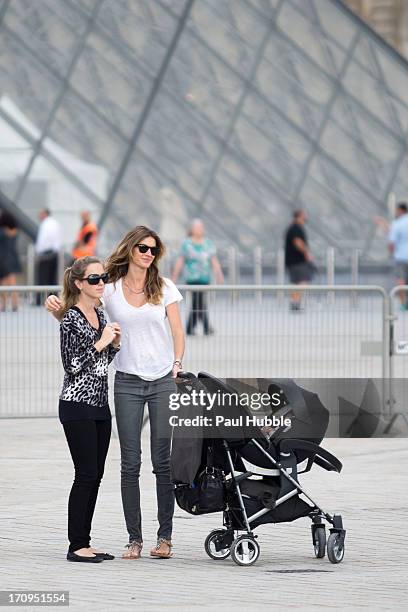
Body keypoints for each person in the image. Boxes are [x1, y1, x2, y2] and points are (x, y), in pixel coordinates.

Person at [46, 226, 184, 560]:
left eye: (153, 248)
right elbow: (81, 309)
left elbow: (178, 330)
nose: (148, 253)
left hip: (163, 379)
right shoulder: (111, 288)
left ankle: (164, 538)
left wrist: (177, 363)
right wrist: (57, 307)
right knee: (130, 463)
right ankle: (133, 539)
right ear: (130, 249)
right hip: (127, 383)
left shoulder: (164, 287)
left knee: (163, 462)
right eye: (142, 247)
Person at [58, 256, 121, 563]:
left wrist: (113, 346)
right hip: (76, 405)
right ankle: (76, 546)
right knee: (84, 474)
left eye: (103, 278)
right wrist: (101, 342)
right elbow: (72, 367)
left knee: (95, 474)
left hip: (99, 405)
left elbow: (99, 367)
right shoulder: (70, 317)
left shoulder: (100, 313)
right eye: (94, 279)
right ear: (79, 283)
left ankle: (85, 541)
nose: (101, 284)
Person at [172, 219, 224, 335]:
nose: (199, 230)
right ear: (192, 229)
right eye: (196, 228)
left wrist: (219, 274)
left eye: (201, 228)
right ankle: (205, 327)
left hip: (205, 278)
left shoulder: (208, 243)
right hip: (192, 278)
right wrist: (174, 277)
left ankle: (193, 327)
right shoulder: (186, 244)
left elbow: (213, 260)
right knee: (198, 301)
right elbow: (180, 260)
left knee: (198, 302)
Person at [284, 209, 314, 311]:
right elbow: (298, 242)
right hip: (297, 261)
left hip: (292, 261)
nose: (306, 217)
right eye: (304, 215)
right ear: (299, 216)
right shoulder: (296, 228)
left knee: (297, 282)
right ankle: (295, 302)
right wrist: (307, 253)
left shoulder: (293, 227)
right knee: (303, 281)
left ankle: (295, 302)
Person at [35, 208, 61, 304]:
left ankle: (40, 300)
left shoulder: (45, 224)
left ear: (45, 214)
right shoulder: (55, 223)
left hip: (46, 254)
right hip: (54, 253)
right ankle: (54, 300)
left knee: (42, 278)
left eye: (40, 214)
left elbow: (43, 240)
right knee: (52, 278)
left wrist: (39, 252)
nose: (39, 216)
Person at [0, 210, 22, 312]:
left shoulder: (3, 232)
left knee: (3, 283)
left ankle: (3, 304)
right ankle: (14, 304)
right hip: (11, 257)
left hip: (3, 258)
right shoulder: (14, 232)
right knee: (12, 282)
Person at [388, 202, 408, 309]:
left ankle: (403, 303)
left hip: (401, 257)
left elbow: (392, 242)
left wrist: (391, 253)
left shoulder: (397, 223)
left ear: (401, 210)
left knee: (400, 279)